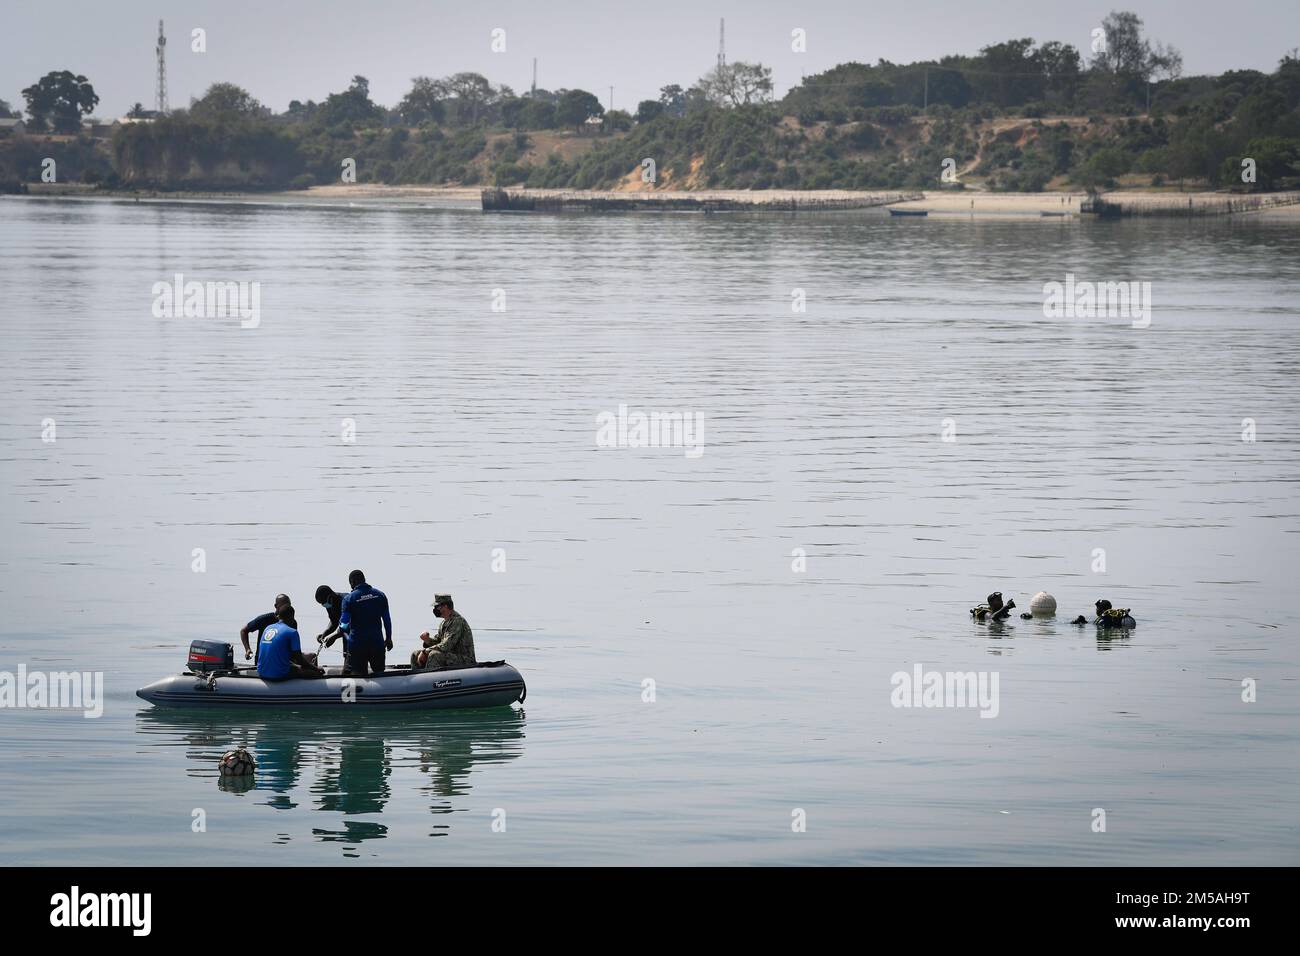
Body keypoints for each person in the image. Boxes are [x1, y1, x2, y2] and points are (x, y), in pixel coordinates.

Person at [337, 569, 392, 676]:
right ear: (364, 579)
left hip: (357, 645)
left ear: (352, 582)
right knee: (379, 673)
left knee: (359, 676)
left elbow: (344, 624)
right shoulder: (380, 595)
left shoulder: (349, 599)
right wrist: (388, 638)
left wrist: (342, 631)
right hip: (377, 643)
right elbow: (387, 620)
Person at [411, 594, 476, 670]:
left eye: (437, 606)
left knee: (434, 655)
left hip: (464, 659)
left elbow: (447, 645)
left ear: (445, 606)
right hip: (450, 656)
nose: (435, 609)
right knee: (415, 654)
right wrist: (427, 640)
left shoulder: (457, 621)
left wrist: (425, 652)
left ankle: (431, 679)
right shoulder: (444, 623)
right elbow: (439, 643)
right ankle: (418, 679)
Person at [257, 606, 324, 681]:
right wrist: (315, 668)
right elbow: (299, 659)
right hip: (278, 674)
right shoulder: (292, 632)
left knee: (299, 665)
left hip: (261, 672)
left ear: (278, 616)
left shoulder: (268, 628)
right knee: (314, 672)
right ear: (292, 617)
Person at [240, 593, 290, 663]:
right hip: (262, 661)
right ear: (276, 606)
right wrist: (247, 649)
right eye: (283, 606)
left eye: (288, 605)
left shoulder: (292, 622)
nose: (286, 608)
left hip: (281, 660)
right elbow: (243, 631)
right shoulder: (265, 619)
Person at [315, 584, 345, 655]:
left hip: (361, 633)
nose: (323, 605)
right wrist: (325, 634)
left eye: (323, 602)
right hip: (347, 635)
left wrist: (335, 636)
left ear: (330, 597)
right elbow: (334, 621)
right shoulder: (329, 604)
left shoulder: (346, 601)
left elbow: (349, 625)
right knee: (347, 655)